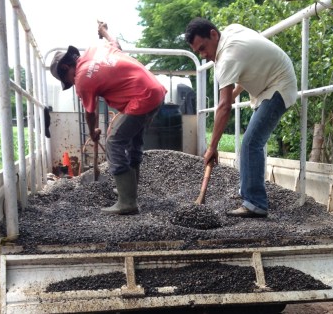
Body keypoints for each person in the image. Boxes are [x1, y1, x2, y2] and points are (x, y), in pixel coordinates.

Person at [185, 18, 297, 218]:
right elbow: (253, 62)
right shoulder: (231, 31)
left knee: (250, 143)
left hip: (279, 86)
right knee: (253, 142)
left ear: (213, 34)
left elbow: (224, 107)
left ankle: (255, 203)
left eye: (203, 48)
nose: (204, 55)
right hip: (270, 84)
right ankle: (250, 193)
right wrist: (235, 93)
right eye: (198, 52)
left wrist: (211, 148)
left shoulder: (227, 57)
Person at [50, 22, 166, 214]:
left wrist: (93, 132)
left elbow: (90, 112)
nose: (72, 82)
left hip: (141, 98)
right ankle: (130, 190)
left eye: (68, 80)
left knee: (114, 141)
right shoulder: (97, 49)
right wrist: (103, 31)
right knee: (133, 140)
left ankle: (127, 202)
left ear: (66, 67)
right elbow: (115, 42)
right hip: (156, 91)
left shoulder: (82, 78)